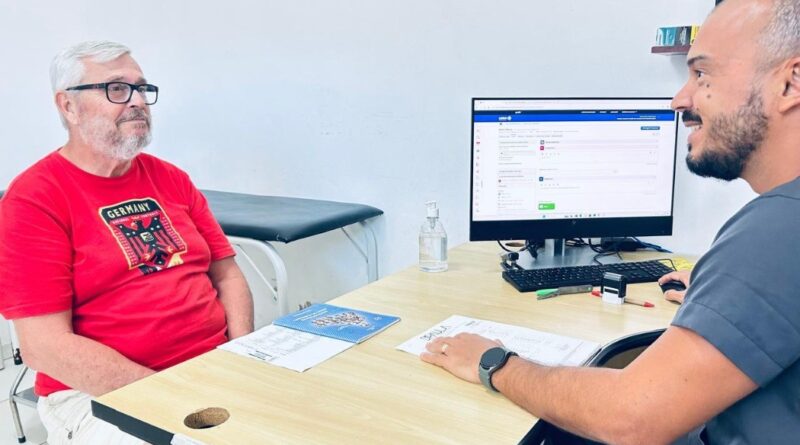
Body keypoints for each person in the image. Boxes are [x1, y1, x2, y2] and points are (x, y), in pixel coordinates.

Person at [421, 0, 800, 443]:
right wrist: (720, 296)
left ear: (790, 82)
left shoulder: (777, 229)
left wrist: (495, 363)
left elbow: (630, 418)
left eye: (702, 75)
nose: (680, 99)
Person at [0, 41, 254, 444]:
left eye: (141, 88)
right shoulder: (33, 199)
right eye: (116, 89)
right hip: (97, 393)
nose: (137, 101)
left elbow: (227, 274)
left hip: (211, 368)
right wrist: (172, 396)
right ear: (68, 106)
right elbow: (44, 347)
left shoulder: (171, 178)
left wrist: (242, 357)